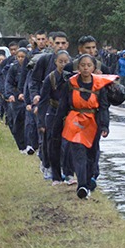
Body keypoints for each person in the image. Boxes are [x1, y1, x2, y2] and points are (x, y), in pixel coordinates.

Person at [57, 54, 117, 199]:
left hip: (93, 123)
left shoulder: (99, 85)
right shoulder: (70, 84)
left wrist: (104, 126)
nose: (85, 68)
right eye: (82, 65)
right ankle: (82, 185)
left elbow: (103, 107)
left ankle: (89, 180)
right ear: (78, 67)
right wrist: (56, 125)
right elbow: (63, 106)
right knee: (79, 153)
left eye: (89, 65)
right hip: (75, 121)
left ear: (94, 68)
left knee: (91, 154)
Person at [37, 50, 72, 186]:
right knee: (53, 145)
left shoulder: (73, 78)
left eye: (66, 62)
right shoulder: (50, 78)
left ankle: (69, 173)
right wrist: (41, 122)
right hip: (53, 113)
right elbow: (43, 101)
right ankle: (56, 177)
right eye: (60, 61)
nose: (63, 64)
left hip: (68, 114)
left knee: (68, 145)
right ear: (55, 62)